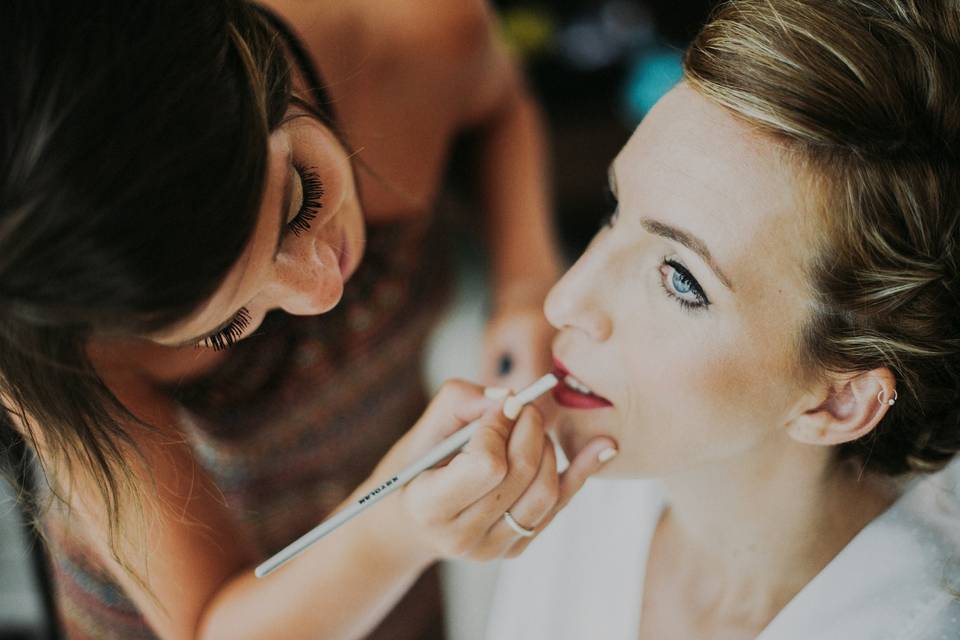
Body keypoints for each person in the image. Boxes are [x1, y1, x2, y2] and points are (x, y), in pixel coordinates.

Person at [0, 1, 619, 638]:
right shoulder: (48, 345)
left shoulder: (416, 28)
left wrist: (523, 282)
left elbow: (497, 105)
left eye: (301, 199)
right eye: (227, 326)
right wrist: (398, 530)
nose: (320, 291)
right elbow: (215, 627)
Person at [485, 0, 960, 638]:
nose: (565, 301)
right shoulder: (573, 472)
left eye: (681, 279)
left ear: (838, 402)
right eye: (614, 208)